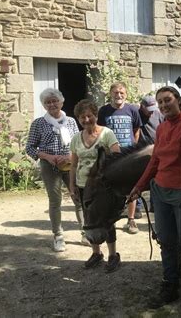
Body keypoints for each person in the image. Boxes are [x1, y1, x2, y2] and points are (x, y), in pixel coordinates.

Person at [128, 86, 181, 315]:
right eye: (159, 102)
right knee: (166, 242)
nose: (163, 105)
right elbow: (155, 162)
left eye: (167, 100)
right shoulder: (161, 129)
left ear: (178, 101)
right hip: (160, 194)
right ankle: (170, 285)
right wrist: (139, 186)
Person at [26, 88, 84, 252]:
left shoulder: (71, 121)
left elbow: (78, 144)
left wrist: (70, 157)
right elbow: (30, 147)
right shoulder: (38, 123)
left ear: (61, 102)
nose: (52, 104)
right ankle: (58, 236)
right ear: (44, 105)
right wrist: (48, 157)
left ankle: (85, 232)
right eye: (48, 102)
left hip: (70, 164)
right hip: (49, 166)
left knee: (78, 197)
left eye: (54, 101)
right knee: (55, 201)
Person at [69, 99, 122, 272]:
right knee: (90, 220)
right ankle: (96, 253)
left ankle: (113, 255)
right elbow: (74, 164)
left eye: (89, 116)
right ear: (78, 119)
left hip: (103, 188)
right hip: (84, 186)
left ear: (96, 115)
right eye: (82, 117)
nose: (86, 120)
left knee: (107, 220)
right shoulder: (76, 138)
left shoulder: (107, 134)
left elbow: (117, 156)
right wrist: (72, 185)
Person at [98, 82, 142, 234]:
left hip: (129, 156)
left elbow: (136, 131)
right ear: (110, 93)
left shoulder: (132, 110)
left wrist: (133, 149)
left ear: (126, 94)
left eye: (122, 92)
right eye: (116, 92)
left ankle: (130, 220)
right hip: (111, 157)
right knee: (110, 187)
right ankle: (110, 217)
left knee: (131, 187)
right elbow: (99, 131)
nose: (119, 95)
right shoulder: (104, 111)